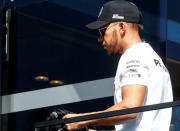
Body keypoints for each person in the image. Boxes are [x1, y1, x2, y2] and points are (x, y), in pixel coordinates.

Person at [62, 0, 173, 131]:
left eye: (102, 31)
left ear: (121, 27)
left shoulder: (134, 55)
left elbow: (130, 109)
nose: (100, 38)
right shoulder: (152, 58)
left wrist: (80, 120)